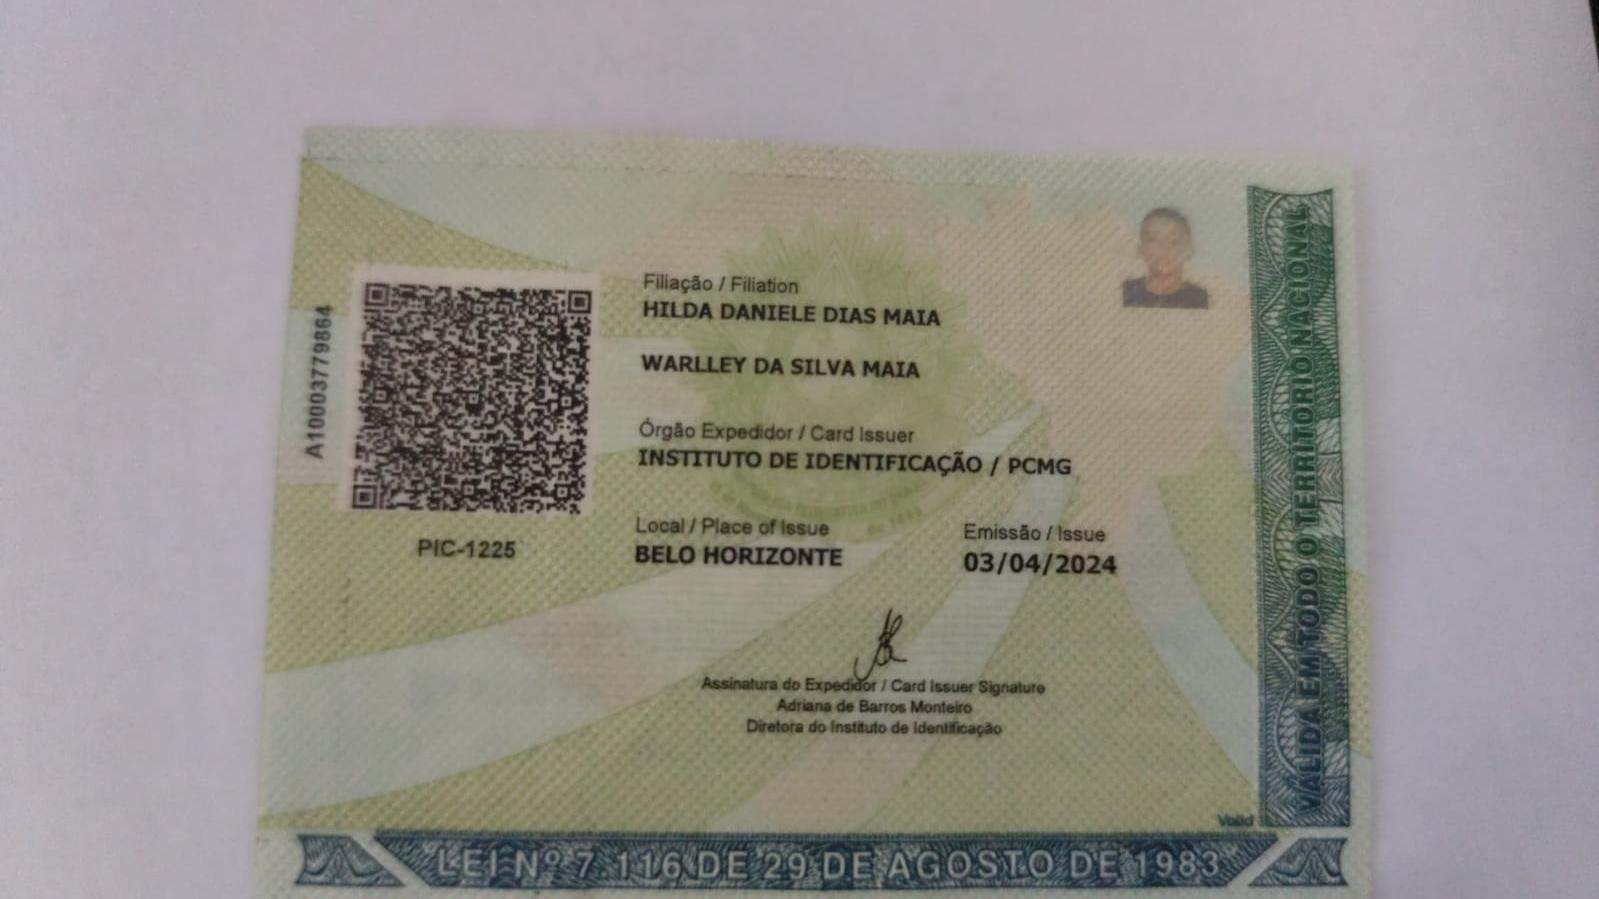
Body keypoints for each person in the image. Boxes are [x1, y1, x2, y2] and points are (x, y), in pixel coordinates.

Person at [1122, 208, 1209, 309]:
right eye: (1154, 240)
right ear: (1140, 249)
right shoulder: (1126, 293)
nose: (1164, 249)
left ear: (1189, 251)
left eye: (1174, 242)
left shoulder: (1200, 299)